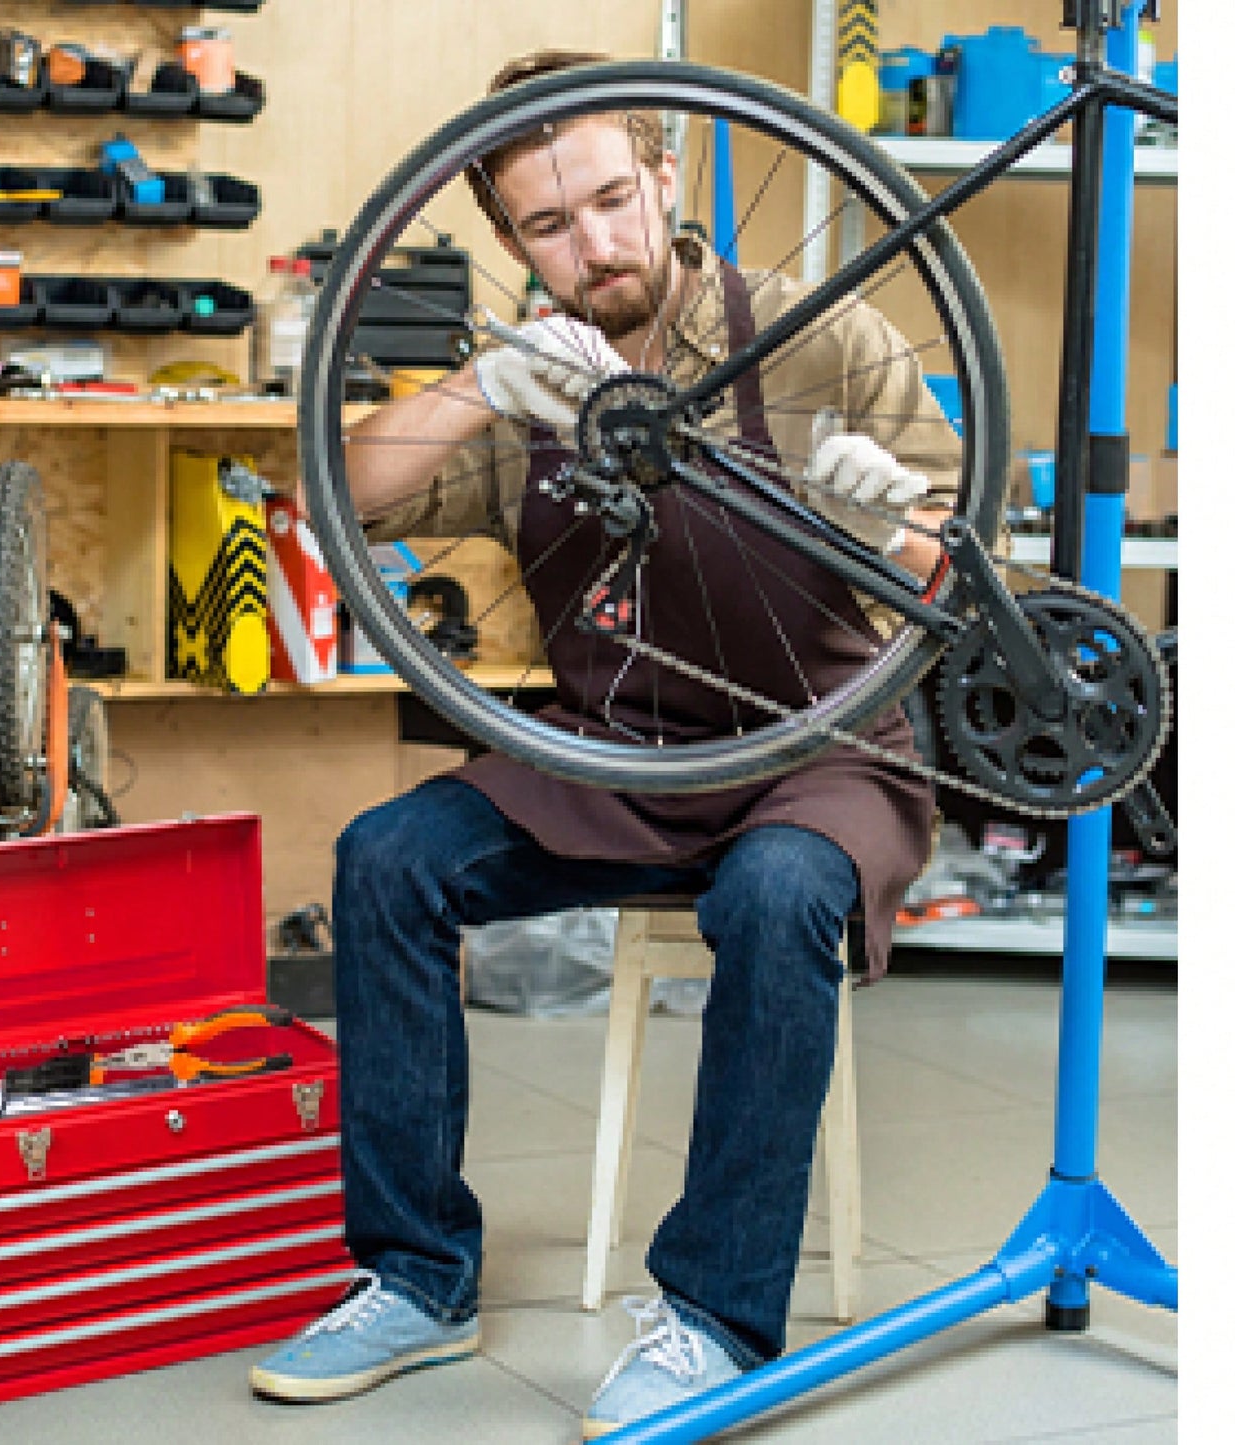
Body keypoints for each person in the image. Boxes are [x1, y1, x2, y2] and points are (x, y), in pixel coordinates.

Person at [249, 49, 961, 1438]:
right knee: (386, 858)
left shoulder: (823, 333)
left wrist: (891, 530)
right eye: (547, 225)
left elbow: (957, 561)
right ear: (511, 241)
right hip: (614, 752)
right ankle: (413, 1277)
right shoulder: (535, 379)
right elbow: (338, 497)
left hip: (819, 755)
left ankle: (709, 1315)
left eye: (608, 199)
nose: (593, 244)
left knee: (773, 895)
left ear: (665, 173)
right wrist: (486, 375)